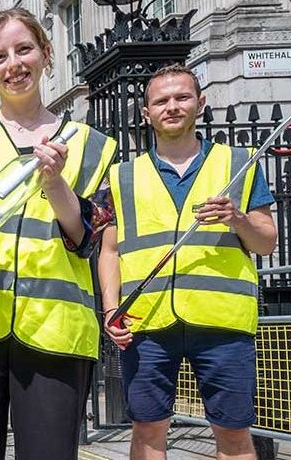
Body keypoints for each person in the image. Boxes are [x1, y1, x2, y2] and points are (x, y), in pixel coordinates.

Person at [0, 8, 118, 459]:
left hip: (55, 328)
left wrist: (56, 184)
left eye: (24, 49)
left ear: (46, 54)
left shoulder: (90, 144)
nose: (13, 64)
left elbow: (90, 236)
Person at [99, 64, 277, 460]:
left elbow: (267, 243)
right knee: (146, 428)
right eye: (161, 100)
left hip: (223, 320)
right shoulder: (121, 176)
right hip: (146, 321)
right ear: (146, 113)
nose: (172, 106)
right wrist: (111, 308)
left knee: (233, 431)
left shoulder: (239, 164)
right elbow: (109, 251)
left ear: (200, 103)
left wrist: (238, 218)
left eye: (182, 97)